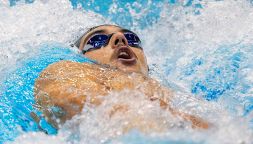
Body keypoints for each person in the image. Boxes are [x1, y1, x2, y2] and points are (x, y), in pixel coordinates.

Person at [32, 24, 209, 132]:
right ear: (80, 57)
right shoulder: (66, 70)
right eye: (97, 40)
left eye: (133, 39)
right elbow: (84, 109)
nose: (121, 38)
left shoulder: (176, 93)